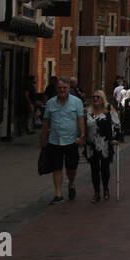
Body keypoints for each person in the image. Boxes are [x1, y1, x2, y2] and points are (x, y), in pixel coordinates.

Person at [40, 77, 86, 205]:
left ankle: (71, 183)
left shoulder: (76, 102)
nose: (62, 90)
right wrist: (43, 138)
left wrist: (82, 136)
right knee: (57, 168)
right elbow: (46, 121)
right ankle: (58, 194)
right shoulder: (50, 103)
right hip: (54, 140)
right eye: (59, 88)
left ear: (69, 88)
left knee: (71, 168)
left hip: (72, 140)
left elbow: (81, 120)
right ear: (56, 89)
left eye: (64, 88)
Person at [84, 90, 121, 202]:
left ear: (102, 98)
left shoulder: (109, 109)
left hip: (105, 143)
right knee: (94, 169)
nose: (95, 99)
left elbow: (116, 123)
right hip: (91, 144)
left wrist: (116, 138)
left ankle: (105, 189)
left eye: (98, 97)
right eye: (94, 97)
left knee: (105, 168)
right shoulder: (88, 111)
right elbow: (83, 126)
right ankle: (96, 192)